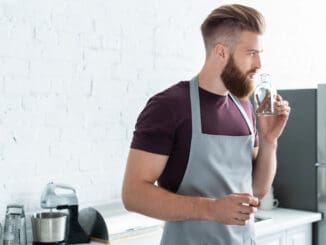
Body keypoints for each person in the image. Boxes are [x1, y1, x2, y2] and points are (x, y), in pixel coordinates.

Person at [122, 4, 290, 245]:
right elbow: (133, 194)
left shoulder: (244, 108)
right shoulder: (168, 107)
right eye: (251, 52)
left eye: (260, 52)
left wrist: (269, 141)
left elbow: (255, 192)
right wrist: (211, 209)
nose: (259, 63)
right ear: (220, 52)